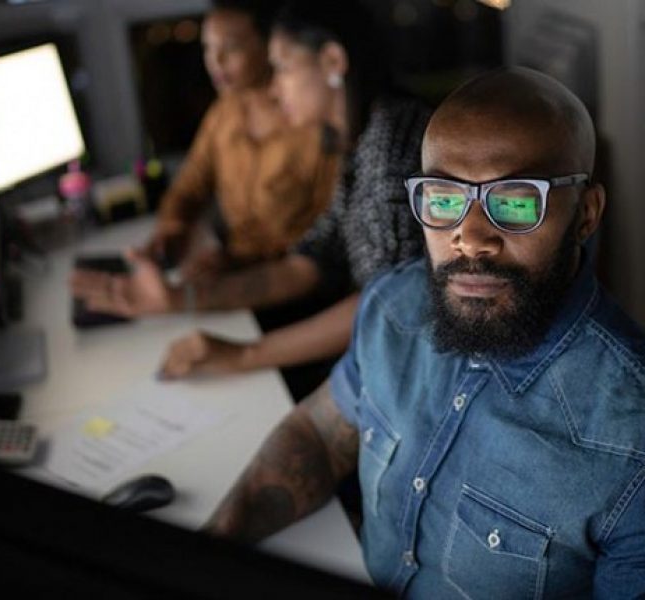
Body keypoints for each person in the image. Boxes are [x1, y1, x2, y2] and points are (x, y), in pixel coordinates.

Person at [200, 66, 645, 597]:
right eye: (444, 199)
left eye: (517, 202)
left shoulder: (630, 439)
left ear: (587, 213)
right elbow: (319, 437)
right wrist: (208, 548)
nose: (470, 238)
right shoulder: (393, 308)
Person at [72, 0, 431, 395]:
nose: (275, 88)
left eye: (282, 67)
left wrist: (243, 355)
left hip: (405, 372)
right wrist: (179, 297)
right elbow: (308, 264)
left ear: (332, 61)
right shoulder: (355, 140)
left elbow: (387, 307)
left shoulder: (393, 140)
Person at [139, 0, 340, 279]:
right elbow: (190, 185)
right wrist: (173, 229)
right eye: (208, 47)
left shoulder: (311, 121)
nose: (215, 62)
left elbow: (328, 241)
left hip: (286, 284)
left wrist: (239, 264)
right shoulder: (224, 113)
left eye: (231, 48)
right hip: (229, 270)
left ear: (270, 45)